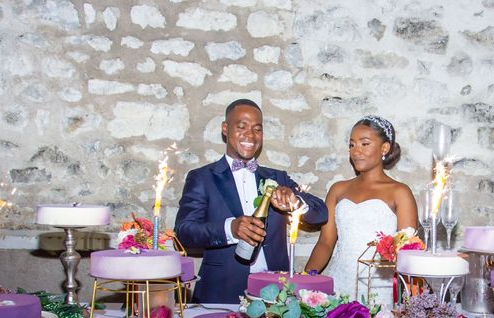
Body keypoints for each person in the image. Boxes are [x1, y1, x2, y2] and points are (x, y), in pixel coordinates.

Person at [174, 99, 328, 304]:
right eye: (241, 127)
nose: (250, 135)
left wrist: (294, 201)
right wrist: (231, 228)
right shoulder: (202, 178)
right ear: (225, 129)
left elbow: (321, 213)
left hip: (276, 295)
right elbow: (184, 232)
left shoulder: (278, 178)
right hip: (221, 291)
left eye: (257, 129)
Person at [305, 115, 418, 304]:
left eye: (364, 144)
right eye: (351, 145)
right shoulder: (338, 189)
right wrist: (305, 280)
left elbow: (407, 253)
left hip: (377, 290)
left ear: (384, 148)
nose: (356, 151)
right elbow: (325, 243)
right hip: (338, 285)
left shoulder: (400, 192)